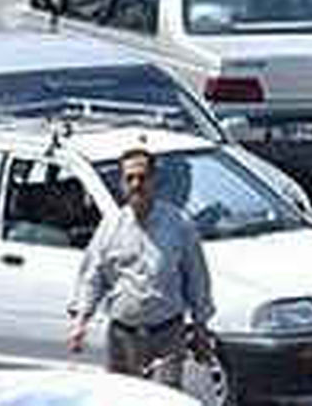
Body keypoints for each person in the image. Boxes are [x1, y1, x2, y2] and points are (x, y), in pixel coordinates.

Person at [69, 146, 214, 388]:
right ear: (122, 185)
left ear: (154, 181)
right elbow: (93, 275)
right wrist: (81, 322)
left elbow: (196, 278)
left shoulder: (178, 224)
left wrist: (201, 327)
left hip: (166, 335)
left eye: (142, 177)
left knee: (162, 399)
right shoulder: (111, 226)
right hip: (122, 337)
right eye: (129, 179)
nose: (136, 184)